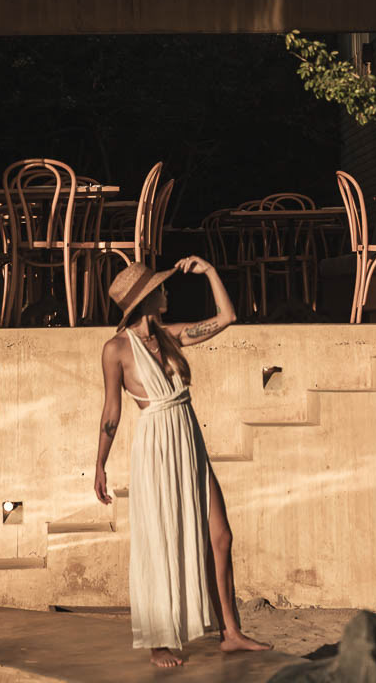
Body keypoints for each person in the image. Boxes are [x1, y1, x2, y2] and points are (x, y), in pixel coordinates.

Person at [95, 255, 270, 669]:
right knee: (159, 538)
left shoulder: (171, 336)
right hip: (156, 445)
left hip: (188, 437)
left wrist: (211, 271)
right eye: (160, 287)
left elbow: (227, 317)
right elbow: (111, 410)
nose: (167, 291)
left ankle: (230, 632)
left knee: (220, 535)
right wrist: (99, 465)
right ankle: (158, 641)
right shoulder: (116, 349)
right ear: (145, 298)